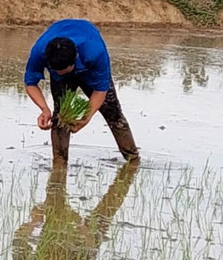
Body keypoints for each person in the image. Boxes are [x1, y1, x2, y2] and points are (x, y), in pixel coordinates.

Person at [24, 19, 139, 164]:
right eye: (56, 71)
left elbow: (100, 90)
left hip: (89, 68)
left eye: (64, 71)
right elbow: (30, 83)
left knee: (113, 112)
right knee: (60, 116)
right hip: (62, 52)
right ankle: (59, 164)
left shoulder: (95, 52)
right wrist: (44, 109)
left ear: (75, 60)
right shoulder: (39, 52)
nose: (60, 74)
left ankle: (133, 160)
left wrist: (86, 117)